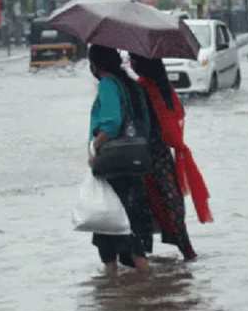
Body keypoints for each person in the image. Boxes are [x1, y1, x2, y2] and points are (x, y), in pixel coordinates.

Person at [129, 53, 213, 260]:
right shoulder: (166, 89)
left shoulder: (142, 89)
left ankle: (142, 261)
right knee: (170, 201)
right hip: (164, 154)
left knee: (147, 205)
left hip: (145, 155)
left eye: (134, 60)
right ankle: (187, 251)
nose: (131, 63)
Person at [87, 44, 154, 274]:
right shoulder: (130, 84)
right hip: (136, 160)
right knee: (131, 224)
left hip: (113, 163)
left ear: (94, 65)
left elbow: (112, 123)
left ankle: (111, 285)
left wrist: (95, 144)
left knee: (107, 224)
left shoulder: (107, 85)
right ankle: (146, 284)